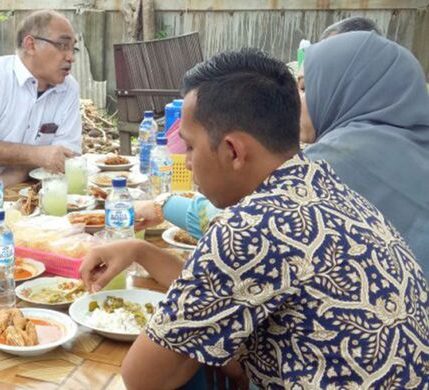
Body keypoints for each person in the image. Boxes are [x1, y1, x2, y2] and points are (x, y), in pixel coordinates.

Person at [79, 48, 428, 389]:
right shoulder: (321, 183)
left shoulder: (250, 229)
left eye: (189, 146)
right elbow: (212, 292)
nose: (186, 161)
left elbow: (142, 378)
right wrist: (139, 252)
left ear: (233, 150)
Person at [297, 31, 429, 275]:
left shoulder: (330, 161)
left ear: (342, 90)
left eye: (305, 88)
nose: (297, 101)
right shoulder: (417, 147)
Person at [0, 10, 82, 174]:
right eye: (62, 46)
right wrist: (35, 155)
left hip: (37, 187)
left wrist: (10, 180)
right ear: (31, 45)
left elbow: (66, 155)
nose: (70, 57)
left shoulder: (68, 88)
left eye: (73, 48)